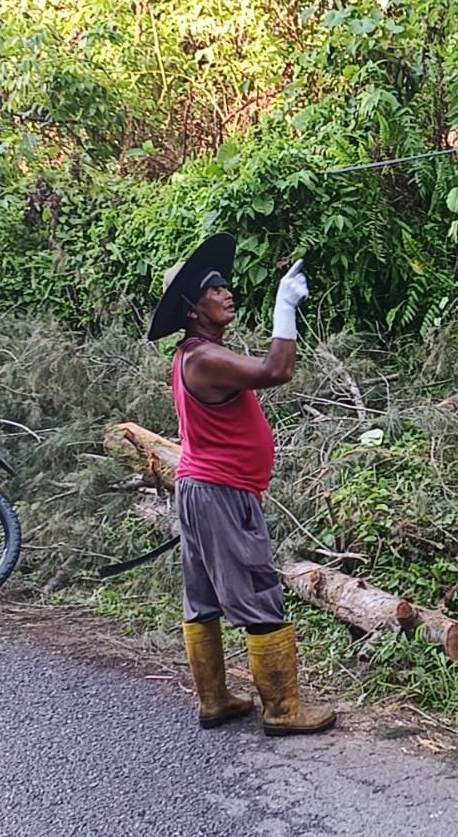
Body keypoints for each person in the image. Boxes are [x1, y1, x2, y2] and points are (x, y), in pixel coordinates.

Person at [146, 232, 336, 737]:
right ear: (192, 309)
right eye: (213, 289)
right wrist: (284, 307)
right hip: (221, 493)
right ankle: (282, 708)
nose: (226, 292)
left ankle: (215, 700)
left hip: (200, 489)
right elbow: (278, 369)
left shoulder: (193, 355)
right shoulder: (203, 359)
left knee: (203, 597)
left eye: (224, 285)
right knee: (256, 588)